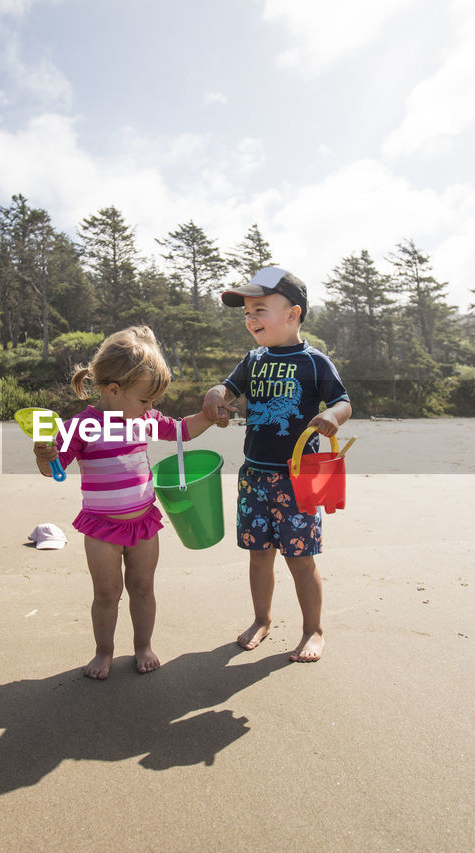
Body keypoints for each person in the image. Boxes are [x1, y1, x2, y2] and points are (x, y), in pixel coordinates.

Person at [33, 325, 216, 680]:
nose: (151, 408)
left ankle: (143, 645)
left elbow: (180, 430)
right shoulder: (81, 426)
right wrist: (45, 454)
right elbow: (53, 468)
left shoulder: (143, 420)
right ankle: (104, 651)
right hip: (102, 527)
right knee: (106, 593)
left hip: (144, 522)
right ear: (114, 391)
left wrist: (208, 417)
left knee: (143, 588)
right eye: (145, 400)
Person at [201, 267, 352, 662]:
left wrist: (332, 417)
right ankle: (262, 619)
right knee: (258, 554)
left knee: (300, 558)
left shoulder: (314, 361)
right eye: (247, 312)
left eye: (260, 309)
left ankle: (313, 630)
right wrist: (214, 396)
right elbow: (226, 389)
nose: (250, 319)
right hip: (253, 476)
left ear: (292, 313)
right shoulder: (253, 359)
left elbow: (343, 401)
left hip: (298, 480)